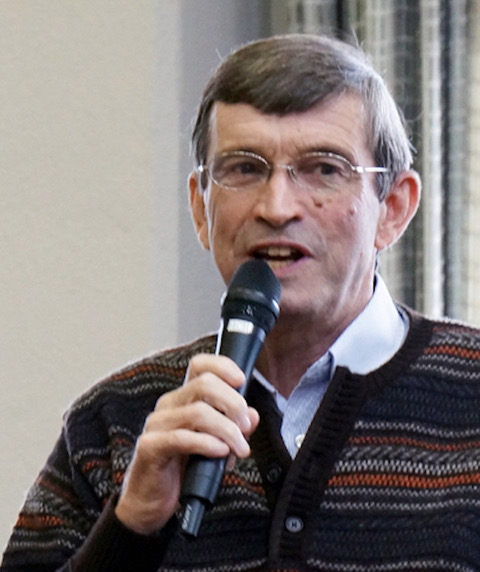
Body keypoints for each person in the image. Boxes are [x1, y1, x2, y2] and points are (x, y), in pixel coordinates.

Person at [2, 32, 480, 572]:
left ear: (393, 209)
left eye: (324, 168)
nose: (277, 208)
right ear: (201, 210)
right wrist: (131, 526)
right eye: (244, 169)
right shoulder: (114, 423)